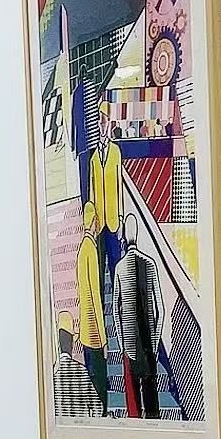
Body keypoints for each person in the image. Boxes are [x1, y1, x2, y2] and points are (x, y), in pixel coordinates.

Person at [112, 213, 164, 419]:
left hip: (130, 345)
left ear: (125, 236)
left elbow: (115, 310)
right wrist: (155, 341)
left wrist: (122, 343)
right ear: (138, 235)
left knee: (134, 406)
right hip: (148, 343)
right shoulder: (150, 264)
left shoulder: (119, 268)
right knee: (152, 406)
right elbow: (161, 309)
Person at [76, 201, 108, 412]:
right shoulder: (91, 250)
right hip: (95, 333)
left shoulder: (82, 249)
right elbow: (95, 296)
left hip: (85, 333)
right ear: (94, 222)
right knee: (100, 383)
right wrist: (104, 339)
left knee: (92, 378)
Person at [90, 105, 124, 307]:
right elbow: (91, 192)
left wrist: (120, 218)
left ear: (110, 124)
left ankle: (119, 306)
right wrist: (91, 222)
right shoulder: (94, 157)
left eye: (105, 122)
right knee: (99, 269)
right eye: (100, 122)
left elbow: (119, 185)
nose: (103, 126)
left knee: (115, 266)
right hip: (99, 222)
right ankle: (102, 310)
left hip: (112, 221)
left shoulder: (116, 152)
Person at [52, 312, 104, 420]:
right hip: (81, 426)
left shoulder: (52, 375)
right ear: (72, 342)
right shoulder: (81, 370)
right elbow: (97, 407)